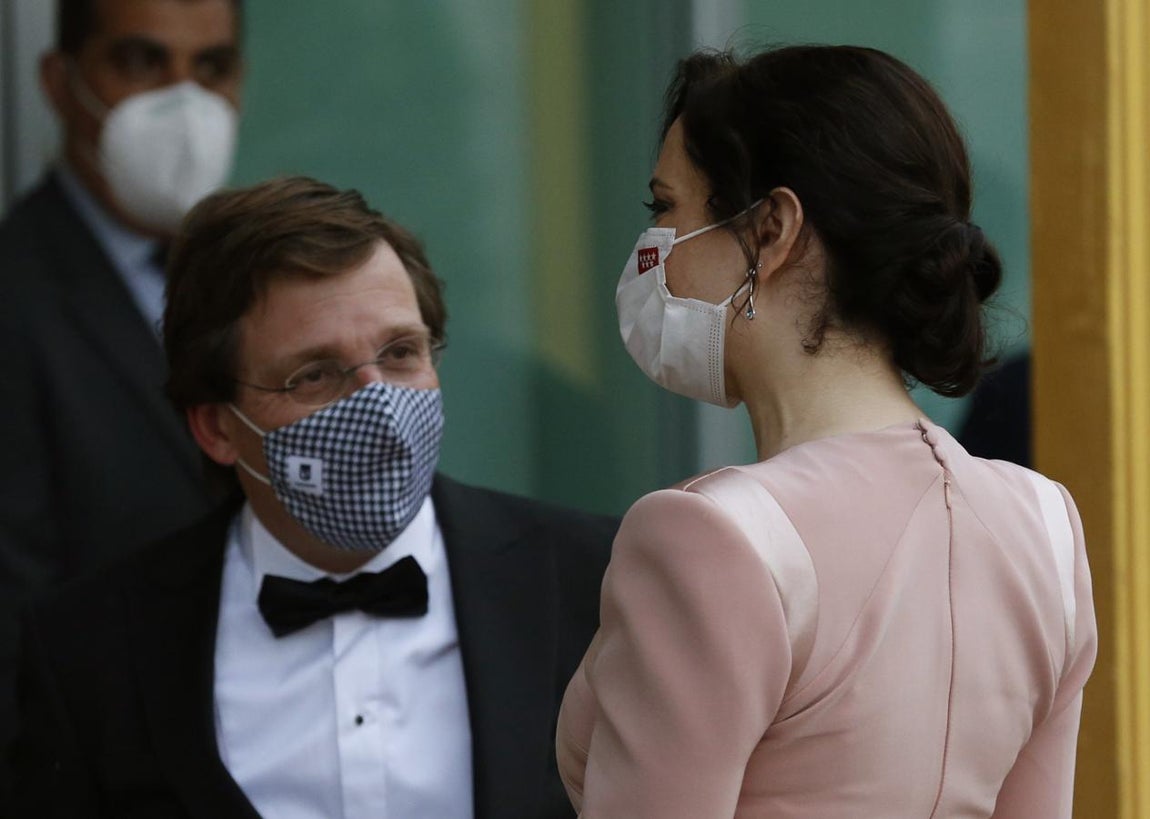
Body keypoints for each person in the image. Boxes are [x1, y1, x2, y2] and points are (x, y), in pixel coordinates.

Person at [557, 46, 1096, 818]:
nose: (652, 250)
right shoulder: (1048, 524)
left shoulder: (706, 535)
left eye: (665, 208)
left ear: (771, 229)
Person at [11, 176, 617, 818]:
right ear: (217, 427)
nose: (377, 405)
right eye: (315, 374)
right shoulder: (92, 651)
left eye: (401, 352)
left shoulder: (598, 583)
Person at [0, 0, 244, 772]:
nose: (184, 100)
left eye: (210, 68)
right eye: (141, 62)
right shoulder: (16, 294)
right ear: (61, 80)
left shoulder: (260, 279)